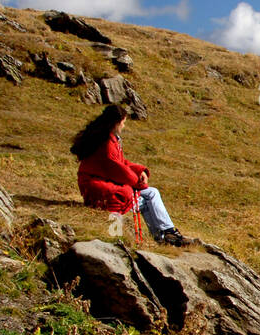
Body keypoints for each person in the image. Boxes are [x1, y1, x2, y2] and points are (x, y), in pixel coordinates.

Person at [70, 104, 188, 246]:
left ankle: (166, 233)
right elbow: (117, 169)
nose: (124, 126)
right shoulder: (107, 142)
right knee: (145, 199)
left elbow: (121, 163)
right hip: (98, 189)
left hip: (101, 184)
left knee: (151, 194)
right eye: (123, 122)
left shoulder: (108, 138)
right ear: (116, 122)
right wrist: (139, 182)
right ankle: (163, 236)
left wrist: (140, 171)